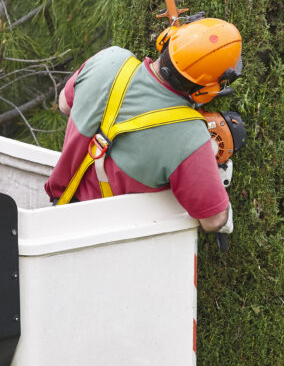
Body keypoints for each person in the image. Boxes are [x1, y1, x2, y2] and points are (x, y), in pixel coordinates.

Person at [45, 17, 242, 232]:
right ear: (207, 91)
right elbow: (212, 220)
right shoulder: (189, 136)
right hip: (109, 244)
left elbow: (64, 104)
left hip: (58, 219)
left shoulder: (110, 60)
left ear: (166, 40)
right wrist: (223, 209)